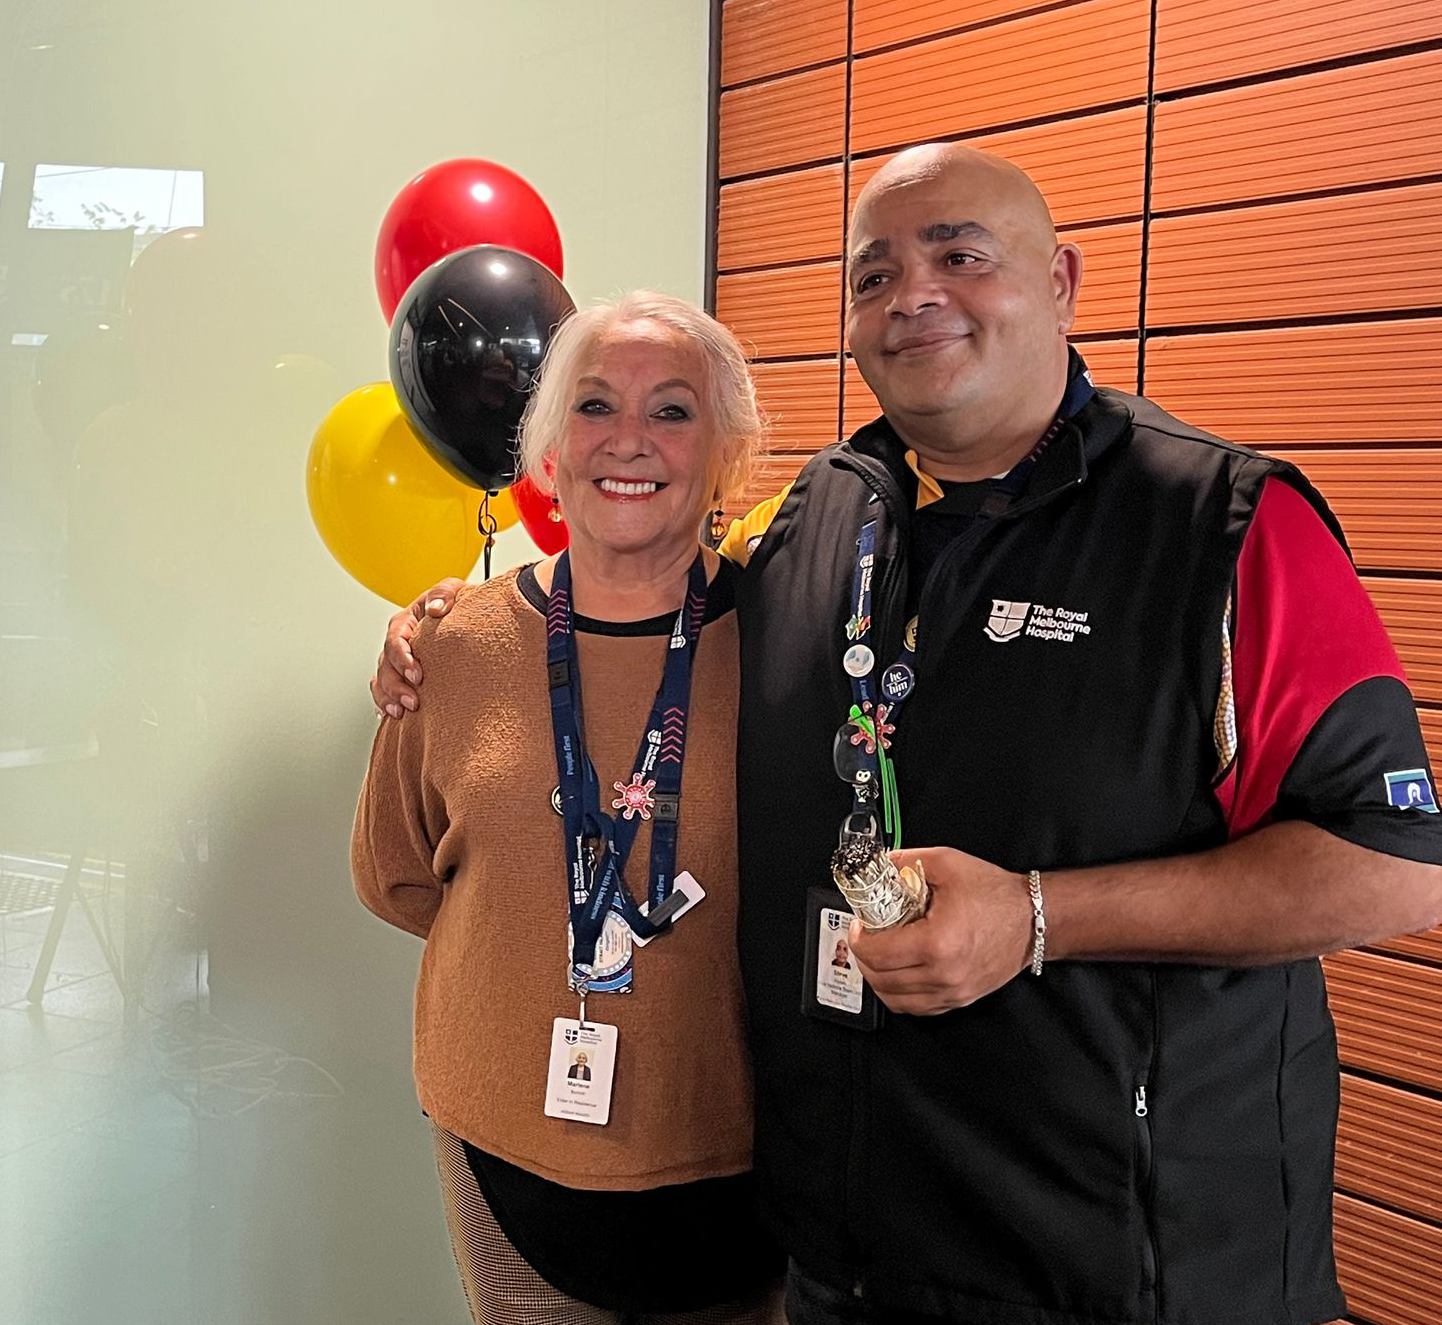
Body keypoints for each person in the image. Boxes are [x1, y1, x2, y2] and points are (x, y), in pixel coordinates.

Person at [370, 144, 1442, 1325]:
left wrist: (1037, 915)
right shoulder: (814, 524)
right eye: (872, 274)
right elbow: (629, 607)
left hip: (1114, 1271)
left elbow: (1394, 867)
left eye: (959, 256)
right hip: (839, 1254)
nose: (913, 294)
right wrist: (444, 624)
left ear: (1059, 283)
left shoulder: (1218, 525)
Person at [352, 290, 786, 1324]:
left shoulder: (790, 646)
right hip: (506, 1143)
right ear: (548, 449)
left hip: (744, 1157)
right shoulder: (453, 646)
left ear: (725, 454)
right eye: (593, 405)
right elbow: (397, 875)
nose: (627, 439)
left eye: (672, 410)